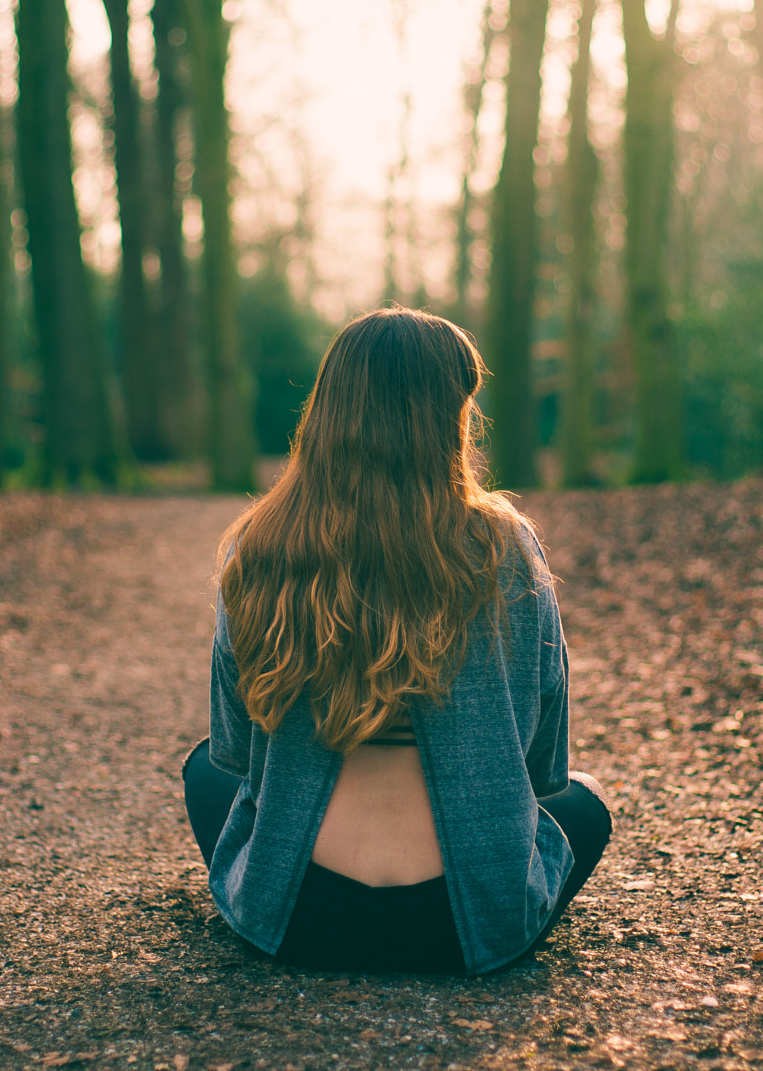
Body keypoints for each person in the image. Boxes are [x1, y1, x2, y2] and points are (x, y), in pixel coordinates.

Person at [180, 307, 610, 975]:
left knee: (203, 769)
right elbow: (542, 760)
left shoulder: (260, 543)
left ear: (328, 409)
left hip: (301, 920)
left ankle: (264, 893)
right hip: (463, 925)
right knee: (584, 805)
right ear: (447, 417)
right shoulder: (506, 548)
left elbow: (236, 748)